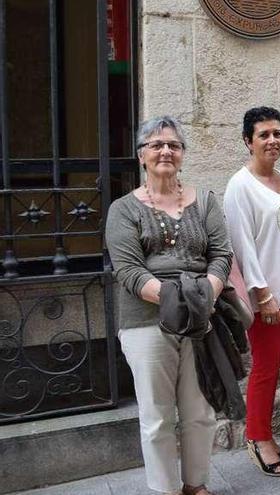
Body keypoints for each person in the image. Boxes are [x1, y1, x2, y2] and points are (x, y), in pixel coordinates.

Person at [106, 116, 231, 495]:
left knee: (200, 411)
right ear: (141, 155)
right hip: (146, 322)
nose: (165, 151)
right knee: (157, 416)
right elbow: (128, 270)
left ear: (182, 155)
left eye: (173, 145)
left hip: (201, 321)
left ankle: (196, 484)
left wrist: (203, 295)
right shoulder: (123, 209)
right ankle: (165, 489)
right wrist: (179, 300)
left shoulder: (206, 200)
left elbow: (221, 256)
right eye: (156, 144)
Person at [223, 107, 280, 476]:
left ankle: (264, 433)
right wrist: (263, 294)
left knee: (274, 366)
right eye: (263, 135)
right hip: (267, 296)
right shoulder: (240, 185)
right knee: (264, 368)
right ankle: (258, 438)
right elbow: (242, 246)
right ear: (247, 141)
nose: (272, 141)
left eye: (277, 133)